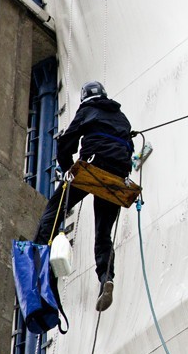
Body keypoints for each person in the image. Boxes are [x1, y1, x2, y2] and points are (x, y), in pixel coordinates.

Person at [33, 81, 134, 312]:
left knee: (55, 207)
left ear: (84, 97)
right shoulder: (122, 117)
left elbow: (66, 143)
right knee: (103, 233)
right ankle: (106, 278)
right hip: (117, 177)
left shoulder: (86, 111)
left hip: (93, 166)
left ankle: (39, 252)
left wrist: (68, 168)